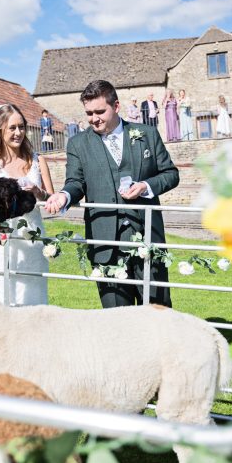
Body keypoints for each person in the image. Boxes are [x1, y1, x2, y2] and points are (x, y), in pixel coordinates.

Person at [44, 80, 179, 308]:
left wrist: (146, 186)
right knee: (116, 323)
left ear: (116, 106)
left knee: (158, 316)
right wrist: (65, 195)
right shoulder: (78, 144)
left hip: (148, 238)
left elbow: (170, 174)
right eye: (89, 113)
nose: (94, 118)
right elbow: (76, 182)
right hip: (105, 243)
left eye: (100, 111)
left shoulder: (147, 134)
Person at [0, 104, 54, 306]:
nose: (18, 133)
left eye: (22, 127)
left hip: (32, 238)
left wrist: (37, 192)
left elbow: (51, 198)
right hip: (0, 241)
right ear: (0, 130)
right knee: (2, 295)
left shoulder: (37, 160)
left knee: (33, 297)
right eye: (12, 128)